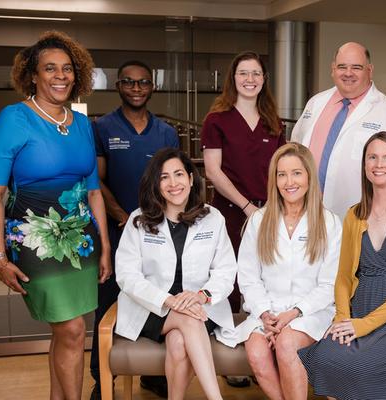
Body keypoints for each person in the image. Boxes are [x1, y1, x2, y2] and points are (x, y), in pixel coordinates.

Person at [0, 30, 111, 400]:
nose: (60, 76)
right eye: (49, 68)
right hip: (36, 240)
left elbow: (93, 191)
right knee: (70, 331)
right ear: (32, 75)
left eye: (67, 69)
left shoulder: (82, 123)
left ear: (78, 74)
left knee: (68, 332)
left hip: (82, 239)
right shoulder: (14, 119)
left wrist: (105, 248)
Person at [298, 131, 386, 399]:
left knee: (360, 366)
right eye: (372, 157)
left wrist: (363, 326)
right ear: (365, 165)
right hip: (358, 307)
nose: (379, 164)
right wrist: (343, 318)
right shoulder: (353, 215)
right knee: (326, 357)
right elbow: (344, 277)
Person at [115, 148, 238, 400]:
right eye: (164, 177)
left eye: (179, 174)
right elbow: (127, 274)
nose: (173, 184)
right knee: (188, 320)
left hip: (201, 305)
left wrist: (202, 295)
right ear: (156, 184)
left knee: (179, 342)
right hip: (150, 308)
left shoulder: (213, 218)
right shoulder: (139, 220)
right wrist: (168, 300)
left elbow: (226, 270)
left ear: (191, 179)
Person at [90, 59, 179, 399]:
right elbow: (96, 179)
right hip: (116, 230)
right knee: (109, 302)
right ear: (119, 86)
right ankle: (103, 379)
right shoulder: (103, 128)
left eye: (143, 82)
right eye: (129, 82)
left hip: (158, 235)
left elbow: (175, 182)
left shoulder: (166, 132)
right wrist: (122, 215)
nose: (137, 88)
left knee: (156, 300)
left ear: (152, 86)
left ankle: (153, 374)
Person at [201, 53, 286, 386]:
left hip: (270, 214)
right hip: (231, 213)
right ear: (232, 78)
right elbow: (212, 171)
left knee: (266, 278)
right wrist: (248, 207)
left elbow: (282, 169)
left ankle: (264, 347)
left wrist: (269, 211)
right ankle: (231, 357)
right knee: (230, 280)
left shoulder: (273, 122)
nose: (250, 79)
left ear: (264, 78)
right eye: (243, 73)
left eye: (256, 73)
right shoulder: (217, 119)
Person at [236, 143, 342, 400]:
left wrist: (293, 314)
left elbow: (329, 285)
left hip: (310, 312)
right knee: (257, 354)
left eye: (296, 173)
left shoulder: (329, 223)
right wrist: (265, 314)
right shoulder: (259, 221)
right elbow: (248, 278)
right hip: (267, 313)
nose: (289, 181)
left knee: (286, 344)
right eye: (281, 174)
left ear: (308, 177)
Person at [291, 42, 386, 219]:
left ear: (370, 70)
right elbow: (295, 151)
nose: (348, 73)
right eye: (342, 66)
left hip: (361, 218)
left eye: (356, 67)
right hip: (306, 213)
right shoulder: (315, 103)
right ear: (333, 69)